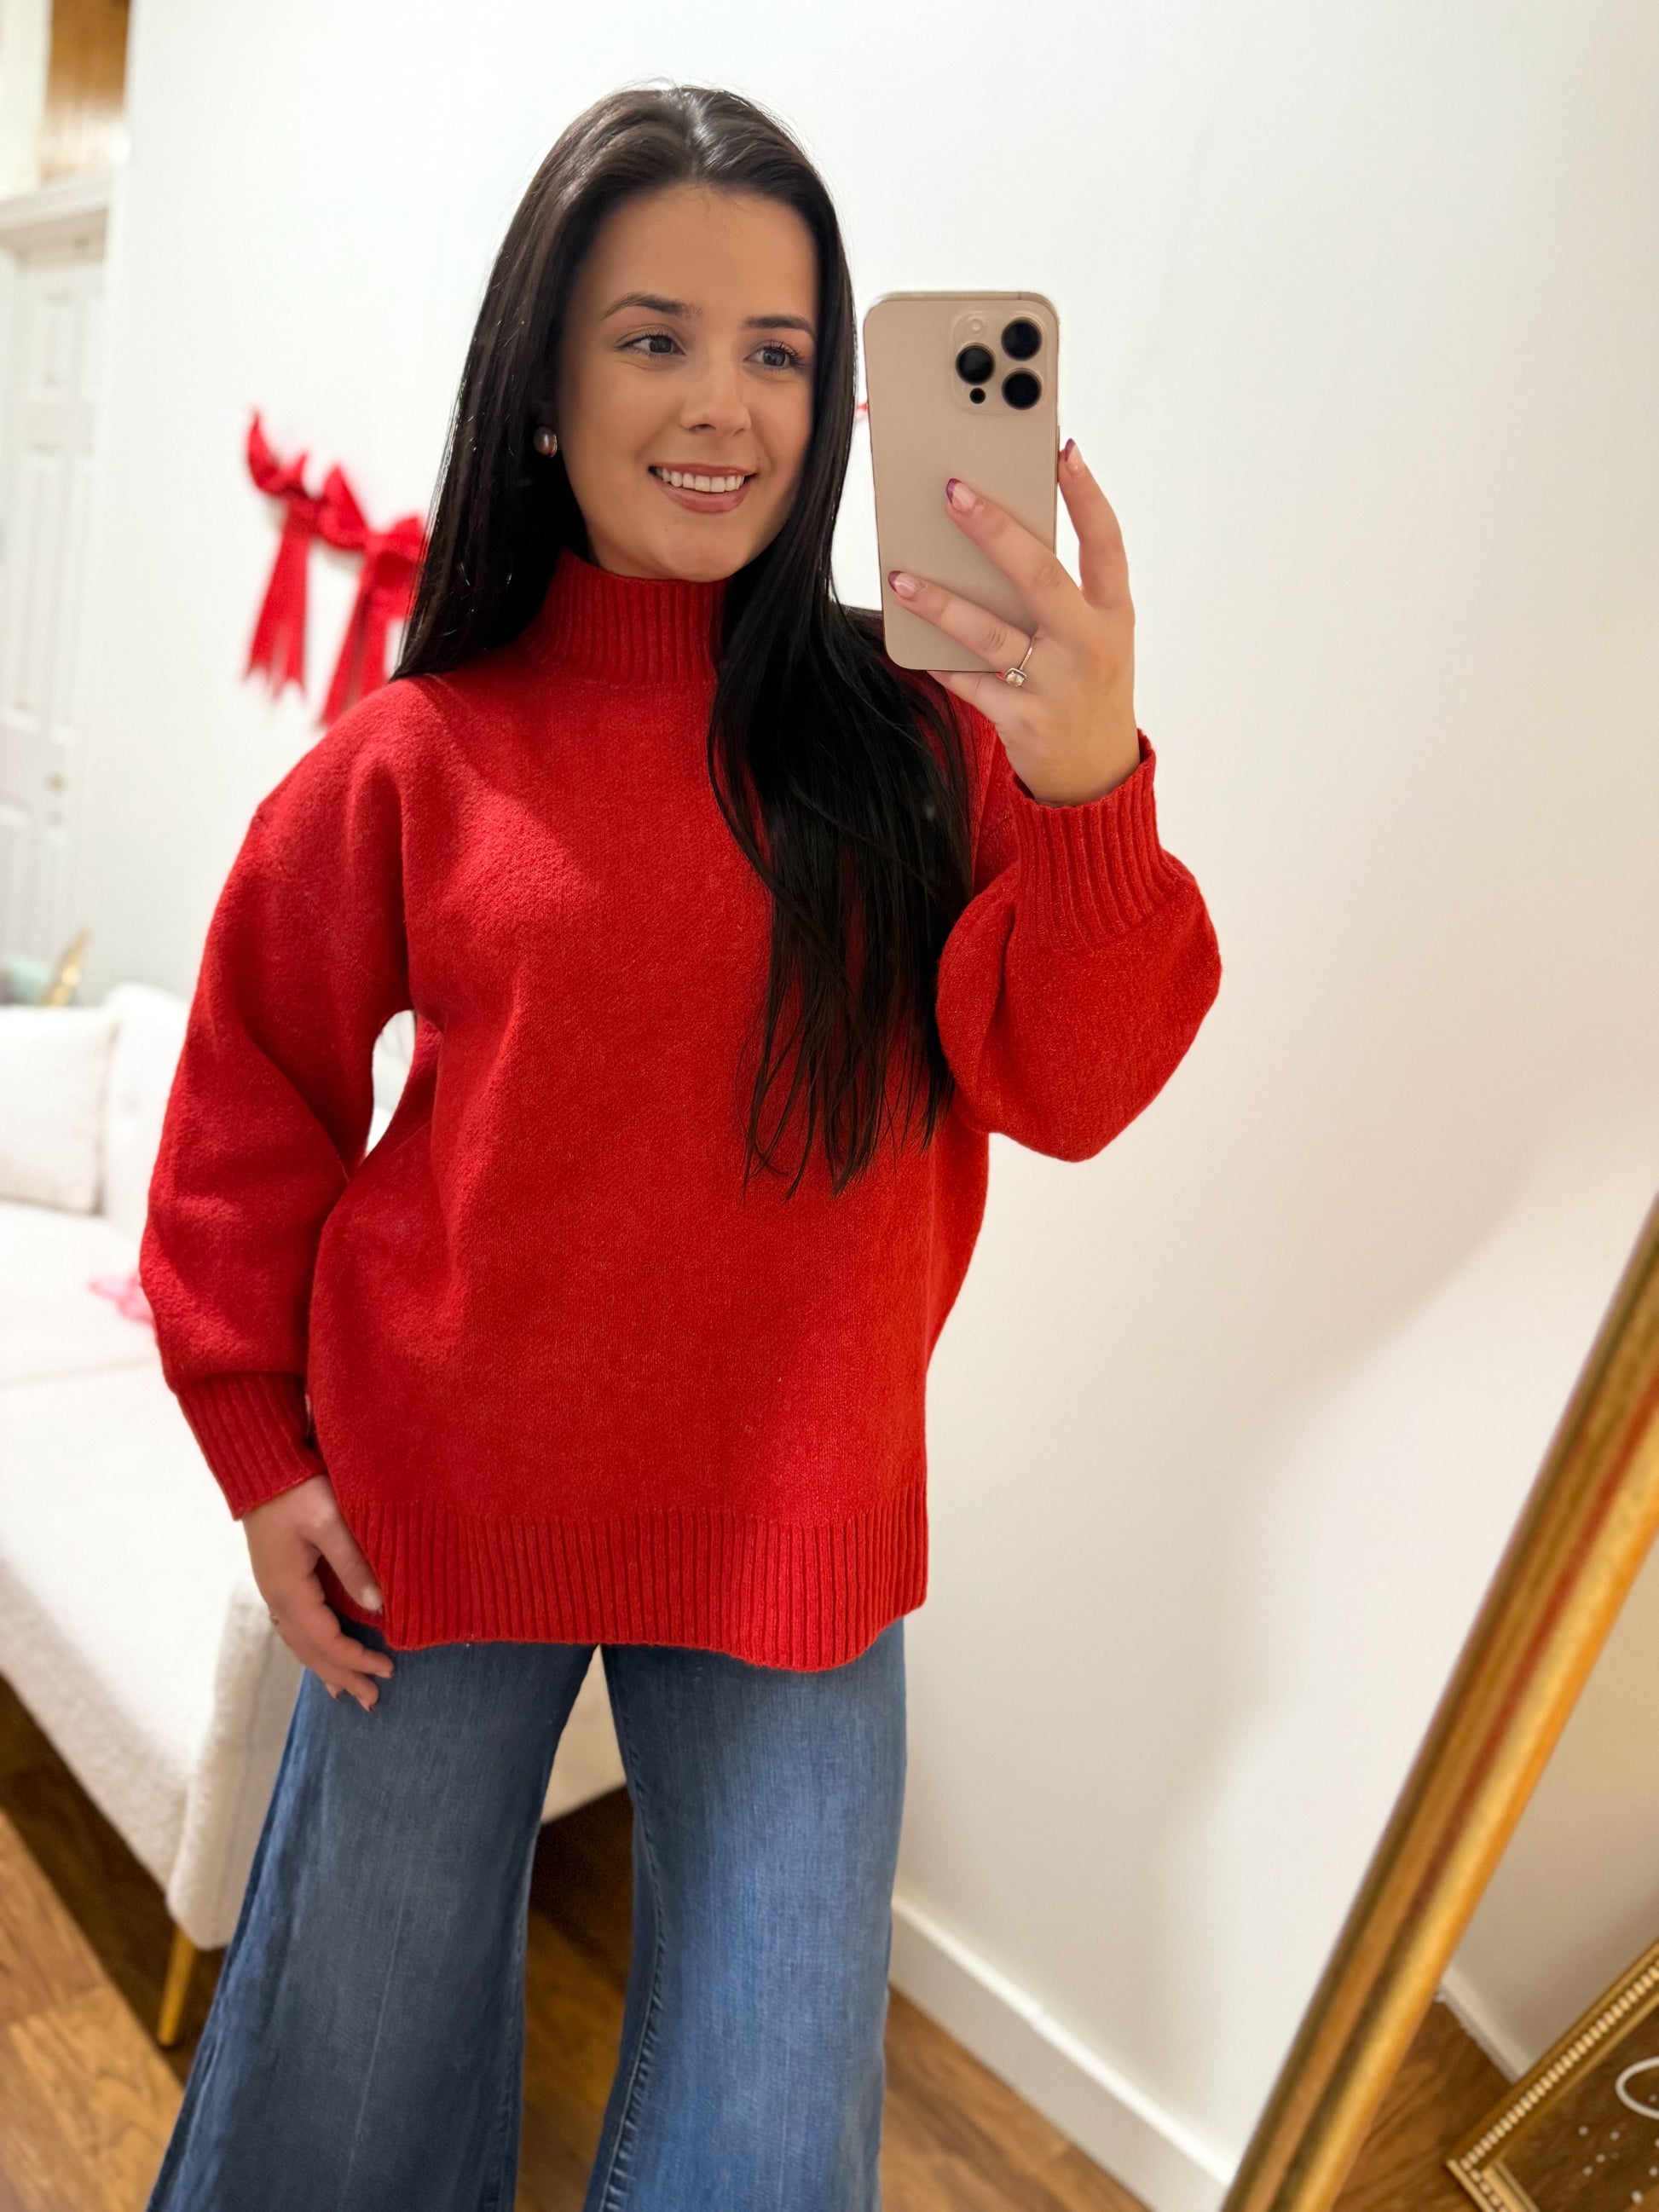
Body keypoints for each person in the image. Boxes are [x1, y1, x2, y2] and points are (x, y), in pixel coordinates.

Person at [138, 80, 1221, 2212]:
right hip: (435, 1515)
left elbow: (1078, 1086)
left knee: (764, 2148)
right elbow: (252, 1094)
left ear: (836, 401)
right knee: (338, 2105)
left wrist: (1089, 782)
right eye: (655, 337)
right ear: (543, 386)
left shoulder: (931, 736)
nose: (723, 400)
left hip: (793, 1528)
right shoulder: (414, 758)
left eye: (781, 350)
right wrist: (261, 1447)